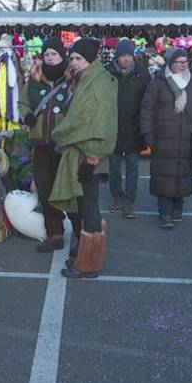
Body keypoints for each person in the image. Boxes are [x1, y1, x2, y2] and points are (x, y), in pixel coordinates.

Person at [47, 38, 117, 278]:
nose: (73, 62)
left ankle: (89, 264)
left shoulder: (99, 84)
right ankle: (82, 255)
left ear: (90, 60)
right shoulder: (83, 80)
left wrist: (93, 157)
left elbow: (103, 123)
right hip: (79, 153)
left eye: (78, 59)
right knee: (81, 208)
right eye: (72, 58)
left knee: (89, 209)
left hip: (90, 155)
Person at [140, 47, 192, 229]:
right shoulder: (158, 82)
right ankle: (164, 212)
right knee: (164, 174)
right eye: (178, 62)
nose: (182, 65)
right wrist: (147, 133)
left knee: (182, 173)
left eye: (185, 62)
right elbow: (147, 109)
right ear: (170, 63)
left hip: (186, 137)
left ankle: (178, 206)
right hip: (163, 137)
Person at [20, 37, 75, 252]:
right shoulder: (34, 79)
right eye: (47, 55)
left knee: (68, 189)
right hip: (40, 142)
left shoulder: (72, 79)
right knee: (45, 189)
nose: (51, 58)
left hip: (64, 143)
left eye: (55, 54)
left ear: (62, 56)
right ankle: (56, 234)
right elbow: (24, 102)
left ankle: (79, 233)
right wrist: (27, 117)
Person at [107, 39, 151, 218]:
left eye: (129, 55)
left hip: (134, 127)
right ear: (117, 56)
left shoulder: (142, 73)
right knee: (114, 167)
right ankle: (117, 197)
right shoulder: (107, 73)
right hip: (113, 127)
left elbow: (148, 101)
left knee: (133, 167)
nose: (126, 59)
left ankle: (130, 201)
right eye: (122, 55)